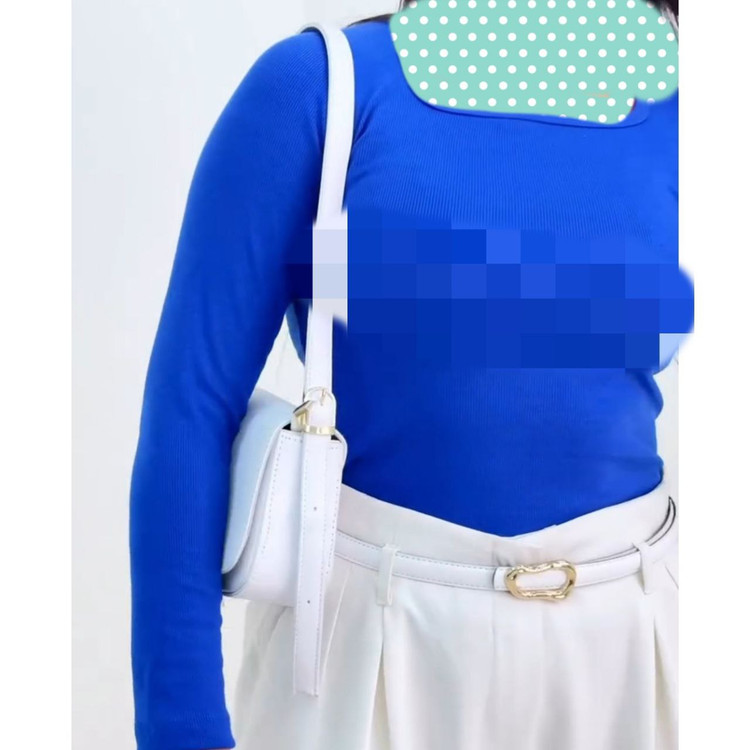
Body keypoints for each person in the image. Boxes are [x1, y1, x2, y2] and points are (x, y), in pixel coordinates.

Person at [129, 2, 686, 749]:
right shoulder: (322, 89)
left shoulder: (685, 106)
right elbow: (191, 408)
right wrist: (182, 729)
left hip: (631, 648)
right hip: (364, 653)